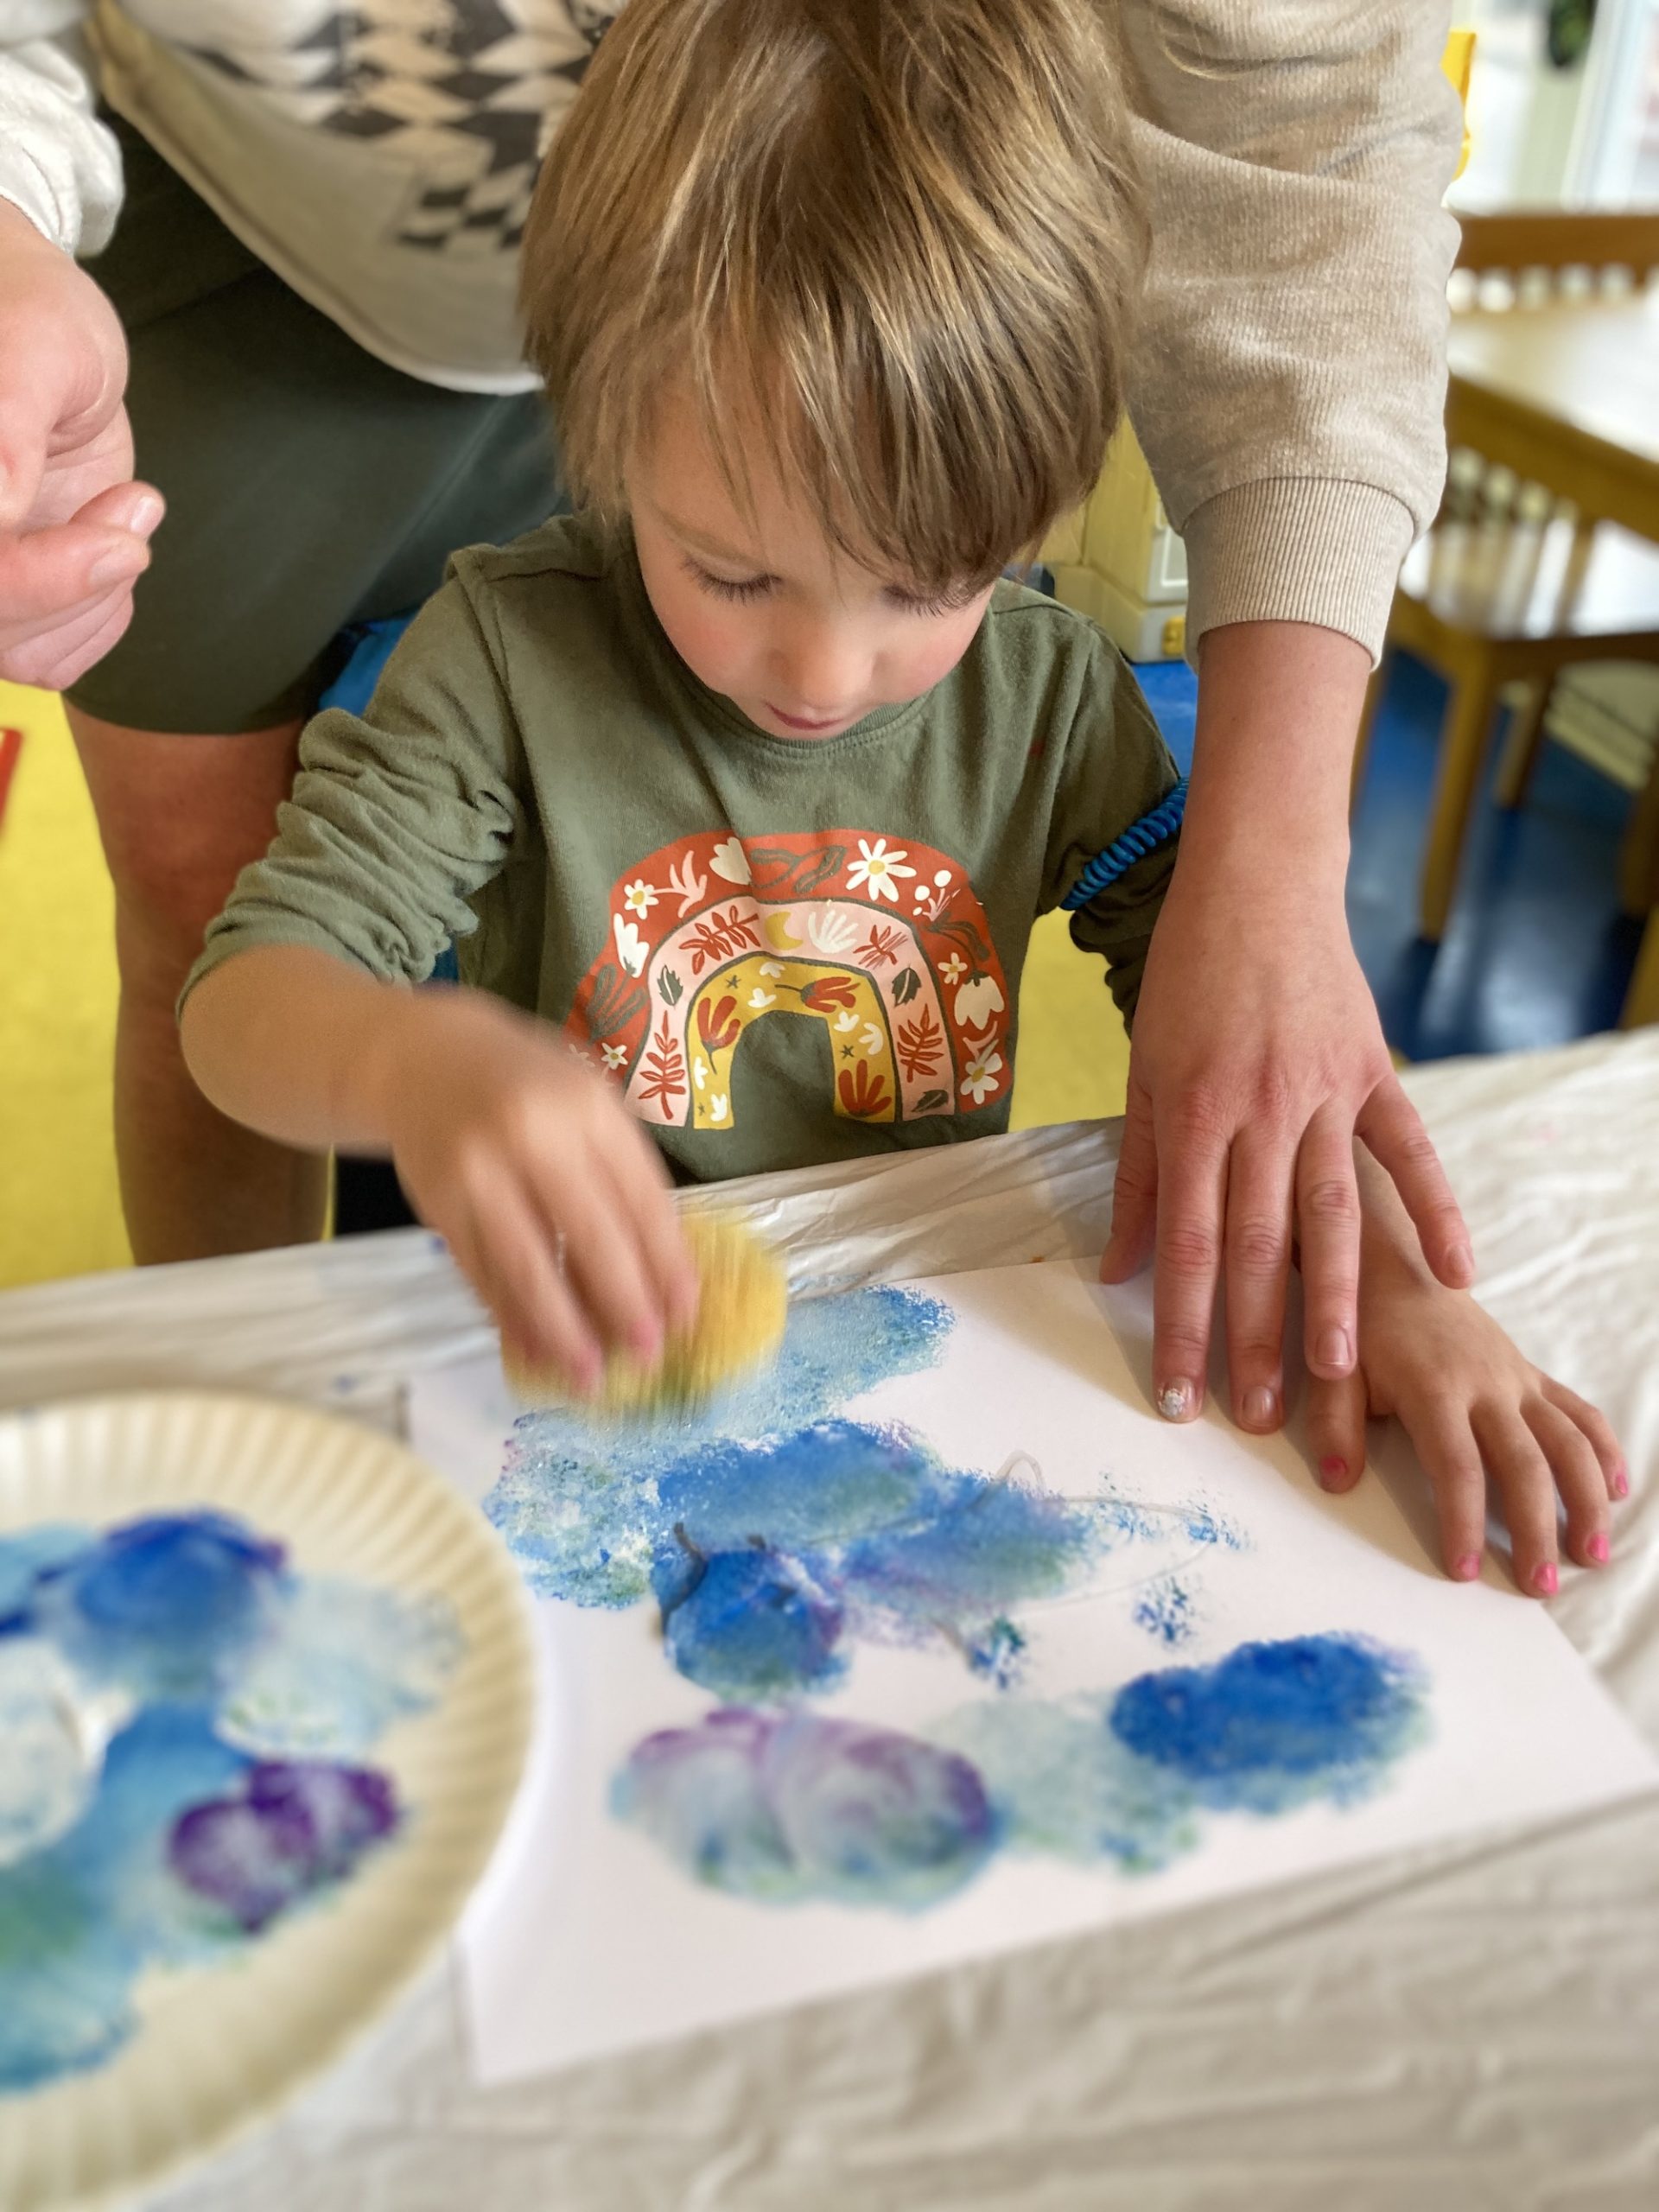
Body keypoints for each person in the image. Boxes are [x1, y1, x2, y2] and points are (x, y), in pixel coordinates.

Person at [178, 0, 1623, 1599]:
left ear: (1047, 503)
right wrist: (403, 1058)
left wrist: (1394, 1289)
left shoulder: (1050, 698)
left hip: (894, 1393)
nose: (823, 665)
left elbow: (1238, 1036)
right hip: (542, 1403)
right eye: (732, 570)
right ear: (595, 431)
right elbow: (240, 1001)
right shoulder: (499, 656)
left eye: (929, 583)